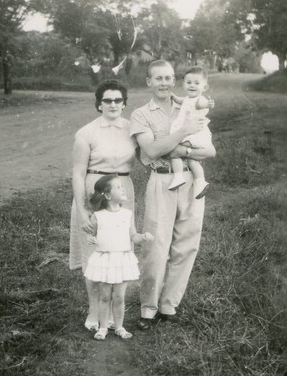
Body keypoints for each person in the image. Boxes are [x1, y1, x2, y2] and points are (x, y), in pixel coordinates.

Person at [129, 60, 216, 329]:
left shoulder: (189, 104)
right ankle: (148, 308)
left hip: (190, 179)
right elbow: (152, 151)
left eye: (168, 78)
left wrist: (182, 151)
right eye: (158, 78)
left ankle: (169, 304)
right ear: (149, 82)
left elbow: (210, 151)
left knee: (187, 243)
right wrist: (183, 132)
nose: (164, 83)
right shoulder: (141, 115)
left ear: (174, 81)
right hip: (162, 180)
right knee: (156, 246)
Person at [69, 80, 137, 332]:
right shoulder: (86, 133)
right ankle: (94, 311)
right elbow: (78, 174)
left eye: (118, 100)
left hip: (122, 191)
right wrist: (82, 209)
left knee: (118, 249)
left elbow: (149, 154)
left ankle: (113, 311)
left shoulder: (132, 129)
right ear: (99, 104)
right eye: (107, 100)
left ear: (124, 103)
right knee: (95, 253)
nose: (113, 104)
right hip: (94, 191)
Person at [84, 175, 153, 340]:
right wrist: (90, 238)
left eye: (122, 186)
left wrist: (143, 237)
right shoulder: (98, 215)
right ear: (108, 195)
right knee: (104, 296)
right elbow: (91, 234)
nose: (123, 189)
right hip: (106, 260)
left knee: (119, 297)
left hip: (122, 260)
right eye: (119, 187)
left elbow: (133, 236)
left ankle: (119, 326)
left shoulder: (127, 214)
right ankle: (102, 327)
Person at [167, 66, 214, 199]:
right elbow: (183, 101)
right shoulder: (188, 99)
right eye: (189, 83)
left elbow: (201, 104)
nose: (192, 86)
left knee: (174, 150)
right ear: (184, 84)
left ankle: (178, 177)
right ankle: (200, 181)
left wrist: (208, 104)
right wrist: (175, 98)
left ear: (204, 87)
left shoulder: (199, 100)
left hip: (194, 134)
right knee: (192, 160)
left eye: (197, 83)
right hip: (191, 133)